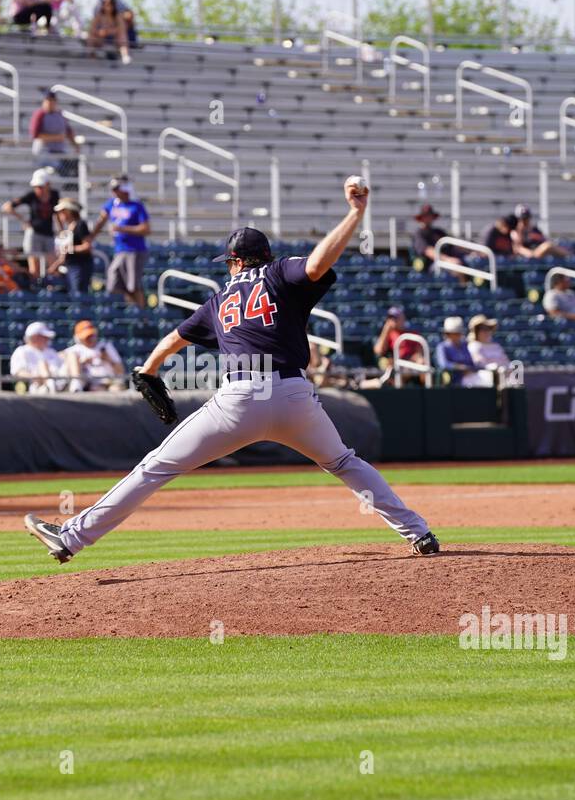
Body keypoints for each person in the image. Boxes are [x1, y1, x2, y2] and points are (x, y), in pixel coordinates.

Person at [23, 183, 439, 563]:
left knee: (155, 468)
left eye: (229, 262)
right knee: (346, 462)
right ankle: (417, 532)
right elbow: (316, 264)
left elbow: (174, 339)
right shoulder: (279, 273)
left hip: (239, 399)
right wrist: (355, 214)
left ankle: (72, 538)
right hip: (294, 395)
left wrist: (148, 369)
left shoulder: (220, 298)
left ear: (236, 261)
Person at [90, 175, 150, 307]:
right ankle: (130, 309)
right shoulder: (112, 204)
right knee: (115, 282)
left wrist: (123, 229)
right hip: (119, 250)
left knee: (133, 286)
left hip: (134, 250)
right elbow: (101, 221)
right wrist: (91, 237)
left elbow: (146, 229)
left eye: (116, 188)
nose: (114, 191)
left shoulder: (136, 206)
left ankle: (142, 313)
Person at [2, 169, 60, 282]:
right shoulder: (31, 196)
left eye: (41, 186)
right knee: (34, 267)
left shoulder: (54, 195)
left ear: (48, 185)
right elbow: (8, 207)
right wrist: (24, 221)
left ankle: (53, 286)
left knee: (53, 265)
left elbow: (57, 213)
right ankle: (35, 287)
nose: (39, 189)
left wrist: (61, 229)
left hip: (48, 234)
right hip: (34, 233)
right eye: (37, 187)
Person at [62, 320, 124, 392]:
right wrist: (82, 362)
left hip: (108, 382)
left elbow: (121, 371)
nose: (91, 338)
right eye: (87, 336)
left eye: (92, 335)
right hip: (88, 384)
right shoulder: (74, 350)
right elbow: (58, 356)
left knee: (116, 389)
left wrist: (107, 359)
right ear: (78, 338)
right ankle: (76, 387)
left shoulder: (106, 346)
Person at [372, 306, 425, 384]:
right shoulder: (388, 334)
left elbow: (419, 353)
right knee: (392, 367)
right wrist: (386, 329)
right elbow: (378, 351)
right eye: (391, 318)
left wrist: (415, 359)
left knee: (422, 362)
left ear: (403, 319)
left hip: (411, 363)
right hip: (395, 365)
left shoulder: (412, 334)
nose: (393, 320)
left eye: (396, 318)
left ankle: (429, 390)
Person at [9, 321, 64, 393]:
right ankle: (50, 387)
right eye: (44, 337)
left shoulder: (51, 351)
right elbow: (18, 372)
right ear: (35, 337)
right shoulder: (21, 351)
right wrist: (35, 377)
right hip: (34, 388)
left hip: (60, 386)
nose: (47, 339)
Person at [29, 90, 79, 171]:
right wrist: (56, 137)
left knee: (76, 166)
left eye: (52, 100)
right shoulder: (40, 114)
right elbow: (35, 135)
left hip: (59, 152)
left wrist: (76, 146)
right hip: (44, 152)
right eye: (48, 100)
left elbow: (68, 131)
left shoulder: (60, 114)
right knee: (62, 168)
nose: (50, 103)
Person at [54, 198, 93, 294]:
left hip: (80, 267)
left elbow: (87, 246)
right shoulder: (69, 227)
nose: (60, 215)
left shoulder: (80, 225)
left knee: (78, 294)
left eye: (62, 212)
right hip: (71, 267)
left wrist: (71, 249)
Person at [410, 203, 464, 273]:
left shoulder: (438, 232)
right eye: (426, 216)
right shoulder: (419, 234)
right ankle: (463, 284)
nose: (428, 218)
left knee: (468, 261)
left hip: (444, 261)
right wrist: (448, 259)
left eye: (430, 215)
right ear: (421, 218)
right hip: (429, 267)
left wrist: (471, 252)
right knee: (455, 266)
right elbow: (428, 251)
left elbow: (454, 245)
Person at [88, 0, 131, 64]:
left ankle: (124, 55)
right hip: (101, 38)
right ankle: (92, 55)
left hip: (114, 38)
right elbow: (93, 27)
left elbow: (123, 25)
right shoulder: (98, 11)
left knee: (122, 36)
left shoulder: (118, 10)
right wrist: (100, 32)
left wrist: (109, 31)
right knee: (91, 36)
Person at [434, 316, 477, 387]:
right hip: (451, 381)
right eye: (453, 333)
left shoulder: (464, 345)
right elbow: (443, 364)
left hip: (467, 378)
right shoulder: (442, 347)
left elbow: (471, 362)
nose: (457, 336)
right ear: (447, 334)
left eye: (458, 333)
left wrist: (468, 369)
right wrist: (460, 368)